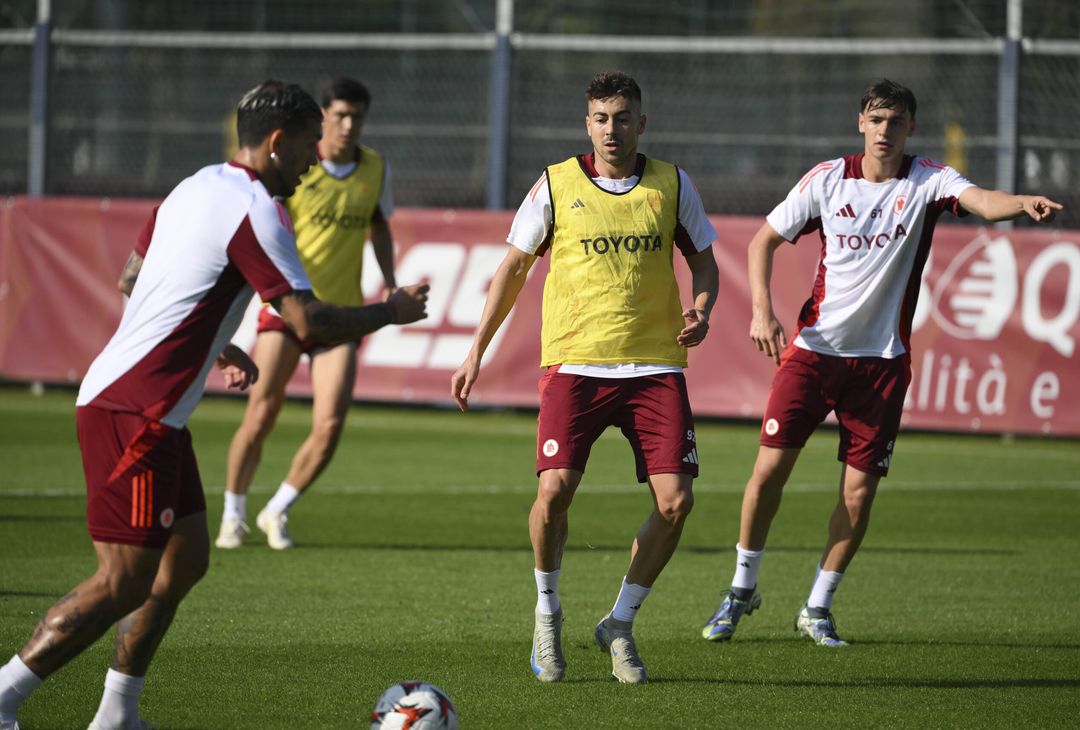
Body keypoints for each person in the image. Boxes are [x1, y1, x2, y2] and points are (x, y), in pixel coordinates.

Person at [0, 80, 428, 730]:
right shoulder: (258, 210)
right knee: (122, 582)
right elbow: (307, 324)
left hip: (151, 411)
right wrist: (389, 312)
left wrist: (217, 345)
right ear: (278, 142)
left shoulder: (194, 184)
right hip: (135, 411)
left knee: (187, 558)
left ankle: (118, 712)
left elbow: (131, 278)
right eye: (310, 145)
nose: (316, 160)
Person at [700, 78, 1062, 648]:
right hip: (814, 353)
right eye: (876, 120)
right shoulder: (827, 180)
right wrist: (761, 313)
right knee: (767, 474)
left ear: (910, 128)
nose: (885, 131)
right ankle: (741, 590)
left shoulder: (927, 180)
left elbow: (981, 202)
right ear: (860, 125)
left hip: (881, 364)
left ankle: (817, 606)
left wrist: (1019, 203)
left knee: (858, 494)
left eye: (895, 121)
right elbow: (761, 241)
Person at [452, 71, 719, 684]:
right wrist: (475, 353)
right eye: (600, 117)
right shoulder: (555, 183)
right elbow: (513, 268)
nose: (611, 129)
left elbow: (704, 262)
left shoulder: (671, 184)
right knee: (553, 495)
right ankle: (548, 616)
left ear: (641, 124)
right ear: (587, 124)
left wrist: (700, 310)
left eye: (622, 117)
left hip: (654, 365)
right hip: (575, 363)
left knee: (676, 503)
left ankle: (620, 622)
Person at [217, 77, 398, 551]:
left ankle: (276, 509)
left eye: (356, 116)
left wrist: (391, 280)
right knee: (262, 412)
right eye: (339, 114)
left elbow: (379, 228)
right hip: (289, 307)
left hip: (339, 315)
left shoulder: (375, 168)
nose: (347, 124)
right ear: (324, 116)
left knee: (330, 425)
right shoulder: (298, 164)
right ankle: (233, 513)